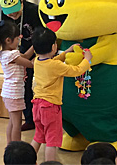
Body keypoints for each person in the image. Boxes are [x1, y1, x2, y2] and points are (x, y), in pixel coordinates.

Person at [30, 27, 92, 161]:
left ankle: (27, 160)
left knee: (38, 137)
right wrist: (87, 59)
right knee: (52, 141)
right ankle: (50, 163)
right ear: (54, 46)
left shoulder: (37, 61)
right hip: (50, 107)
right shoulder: (55, 66)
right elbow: (76, 70)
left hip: (37, 105)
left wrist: (66, 52)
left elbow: (54, 61)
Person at [0, 0, 43, 131]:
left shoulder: (33, 11)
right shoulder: (6, 14)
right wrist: (20, 55)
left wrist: (29, 54)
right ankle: (30, 119)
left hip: (39, 46)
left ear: (21, 3)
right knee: (26, 84)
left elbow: (41, 34)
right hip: (20, 50)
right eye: (9, 14)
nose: (11, 15)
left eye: (15, 12)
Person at [0, 20, 34, 144]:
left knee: (12, 122)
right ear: (8, 40)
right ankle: (16, 147)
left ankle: (10, 145)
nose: (19, 42)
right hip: (14, 94)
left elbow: (25, 56)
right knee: (17, 124)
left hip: (8, 93)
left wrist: (35, 45)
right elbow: (30, 63)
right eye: (17, 39)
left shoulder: (5, 53)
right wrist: (45, 59)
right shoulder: (12, 55)